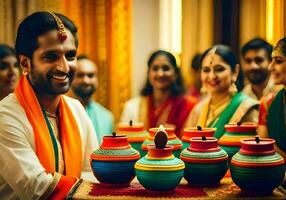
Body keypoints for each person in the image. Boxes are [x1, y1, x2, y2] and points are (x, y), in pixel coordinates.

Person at [0, 11, 98, 199]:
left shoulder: (77, 109)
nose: (64, 67)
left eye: (70, 56)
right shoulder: (6, 116)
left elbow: (92, 174)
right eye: (50, 56)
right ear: (25, 63)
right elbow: (38, 188)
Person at [257, 36, 286, 198]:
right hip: (276, 185)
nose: (270, 67)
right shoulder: (268, 103)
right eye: (271, 60)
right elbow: (262, 149)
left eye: (279, 61)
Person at [186, 45, 259, 139]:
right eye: (206, 70)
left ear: (235, 72)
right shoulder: (197, 110)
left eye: (219, 69)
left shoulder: (246, 108)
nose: (212, 76)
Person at [120, 50, 197, 138]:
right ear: (149, 73)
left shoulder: (189, 106)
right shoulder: (132, 107)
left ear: (175, 73)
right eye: (155, 68)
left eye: (166, 68)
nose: (160, 74)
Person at [71, 55, 114, 144]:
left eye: (90, 75)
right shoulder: (60, 111)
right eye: (80, 75)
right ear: (71, 78)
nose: (86, 80)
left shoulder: (107, 116)